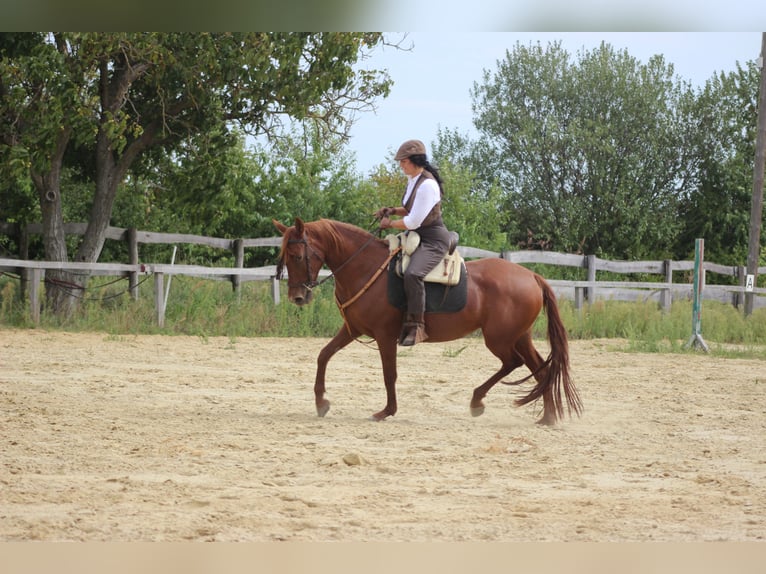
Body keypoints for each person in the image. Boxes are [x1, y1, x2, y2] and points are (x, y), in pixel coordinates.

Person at [374, 139, 451, 346]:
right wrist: (391, 210)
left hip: (433, 240)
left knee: (413, 273)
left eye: (403, 161)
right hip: (418, 237)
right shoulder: (414, 179)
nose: (401, 165)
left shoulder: (427, 185)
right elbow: (410, 210)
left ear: (414, 161)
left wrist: (389, 223)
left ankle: (418, 326)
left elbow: (413, 221)